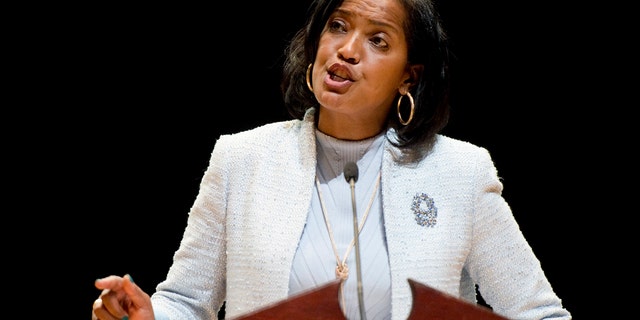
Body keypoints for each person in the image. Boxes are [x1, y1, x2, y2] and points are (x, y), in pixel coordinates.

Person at [91, 0, 572, 319]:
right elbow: (186, 303)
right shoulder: (241, 161)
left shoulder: (459, 175)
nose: (346, 49)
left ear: (409, 75)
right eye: (338, 26)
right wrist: (146, 314)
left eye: (377, 40)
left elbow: (540, 314)